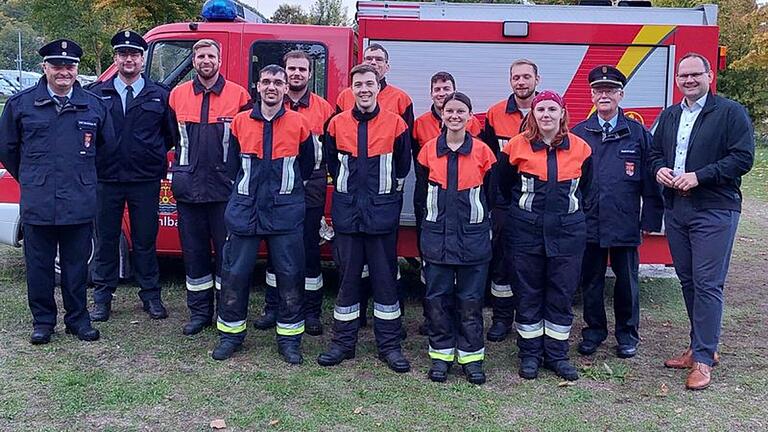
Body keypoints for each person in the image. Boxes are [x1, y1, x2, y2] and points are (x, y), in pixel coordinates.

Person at [649, 52, 754, 390]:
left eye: (696, 74)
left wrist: (699, 176)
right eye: (683, 76)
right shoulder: (669, 116)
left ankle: (704, 360)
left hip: (714, 208)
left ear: (710, 75)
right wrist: (659, 169)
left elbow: (742, 158)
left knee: (708, 284)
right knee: (689, 281)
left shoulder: (729, 113)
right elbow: (653, 153)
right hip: (677, 209)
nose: (689, 80)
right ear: (676, 80)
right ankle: (698, 346)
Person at [0, 39, 115, 344]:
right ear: (45, 68)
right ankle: (43, 322)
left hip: (78, 200)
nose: (64, 71)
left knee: (76, 267)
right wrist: (32, 176)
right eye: (57, 66)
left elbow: (106, 150)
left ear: (77, 70)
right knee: (39, 267)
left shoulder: (94, 105)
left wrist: (82, 177)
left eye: (70, 66)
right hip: (38, 201)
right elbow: (8, 150)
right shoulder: (20, 105)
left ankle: (78, 321)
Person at [212, 65, 315, 363]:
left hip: (285, 213)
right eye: (267, 81)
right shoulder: (241, 122)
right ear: (257, 86)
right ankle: (230, 335)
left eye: (278, 82)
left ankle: (290, 339)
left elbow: (306, 167)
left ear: (286, 89)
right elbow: (231, 166)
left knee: (290, 277)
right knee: (234, 275)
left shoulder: (299, 123)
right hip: (245, 212)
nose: (272, 87)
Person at [318, 64, 412, 373]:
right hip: (348, 216)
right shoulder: (336, 124)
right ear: (351, 89)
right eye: (358, 84)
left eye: (369, 83)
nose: (364, 89)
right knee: (347, 282)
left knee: (385, 283)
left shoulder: (396, 125)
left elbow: (401, 167)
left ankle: (389, 346)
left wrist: (385, 200)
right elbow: (332, 162)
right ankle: (343, 343)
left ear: (378, 85)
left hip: (382, 216)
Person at [498, 90, 592, 381]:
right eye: (541, 110)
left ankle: (556, 355)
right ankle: (529, 354)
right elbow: (503, 187)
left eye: (553, 109)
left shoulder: (582, 148)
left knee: (561, 294)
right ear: (533, 115)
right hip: (525, 233)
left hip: (567, 234)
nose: (546, 115)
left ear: (563, 113)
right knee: (528, 294)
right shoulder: (515, 147)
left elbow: (588, 190)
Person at [571, 65, 664, 358]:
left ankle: (627, 335)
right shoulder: (579, 133)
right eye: (599, 90)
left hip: (624, 221)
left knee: (627, 283)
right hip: (589, 220)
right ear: (592, 95)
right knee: (592, 282)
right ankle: (594, 331)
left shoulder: (637, 133)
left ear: (621, 95)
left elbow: (650, 180)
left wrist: (651, 218)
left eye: (610, 90)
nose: (604, 95)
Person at [88, 30, 175, 322]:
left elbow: (170, 136)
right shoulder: (96, 94)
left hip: (144, 179)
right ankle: (102, 297)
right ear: (116, 58)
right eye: (124, 54)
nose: (129, 59)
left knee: (145, 239)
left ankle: (150, 295)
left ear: (142, 59)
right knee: (107, 240)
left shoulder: (159, 95)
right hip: (107, 178)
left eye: (135, 55)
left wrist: (148, 154)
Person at [168, 39, 251, 336]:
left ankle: (225, 312)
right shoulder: (177, 95)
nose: (206, 60)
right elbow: (172, 138)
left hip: (224, 191)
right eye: (201, 55)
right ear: (193, 60)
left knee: (227, 258)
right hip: (188, 189)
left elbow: (247, 142)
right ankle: (199, 313)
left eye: (211, 55)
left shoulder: (239, 96)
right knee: (195, 255)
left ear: (219, 60)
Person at [417, 92, 495, 385]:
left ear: (470, 115)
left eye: (461, 111)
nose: (454, 116)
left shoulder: (484, 153)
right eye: (450, 111)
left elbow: (492, 195)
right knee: (437, 300)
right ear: (442, 115)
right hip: (437, 239)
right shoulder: (427, 151)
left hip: (473, 240)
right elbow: (421, 196)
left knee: (471, 301)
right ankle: (441, 356)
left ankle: (472, 358)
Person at [254, 50, 334, 336]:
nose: (297, 73)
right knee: (276, 254)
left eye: (302, 69)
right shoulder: (270, 104)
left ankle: (311, 312)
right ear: (284, 74)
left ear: (310, 74)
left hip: (310, 190)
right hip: (276, 193)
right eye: (292, 68)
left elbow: (328, 153)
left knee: (310, 252)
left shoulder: (324, 109)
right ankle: (273, 307)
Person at [482, 59, 540, 343]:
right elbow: (488, 160)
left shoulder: (549, 112)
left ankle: (530, 318)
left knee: (532, 262)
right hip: (505, 202)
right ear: (510, 82)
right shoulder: (494, 114)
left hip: (538, 202)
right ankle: (501, 319)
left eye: (526, 77)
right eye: (516, 77)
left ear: (536, 80)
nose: (521, 82)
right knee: (501, 263)